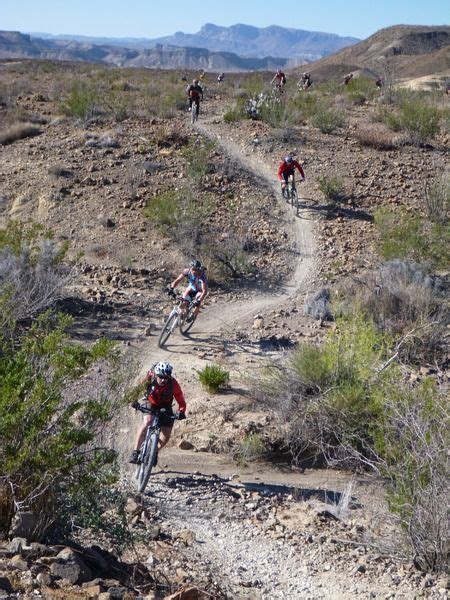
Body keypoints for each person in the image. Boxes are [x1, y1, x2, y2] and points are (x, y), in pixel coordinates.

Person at [129, 362, 186, 465]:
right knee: (148, 421)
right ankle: (135, 452)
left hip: (165, 406)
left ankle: (153, 452)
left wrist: (181, 412)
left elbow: (181, 401)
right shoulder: (150, 378)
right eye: (161, 377)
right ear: (156, 374)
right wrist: (134, 401)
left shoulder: (173, 384)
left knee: (166, 434)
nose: (164, 380)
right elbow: (138, 389)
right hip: (150, 401)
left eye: (166, 377)